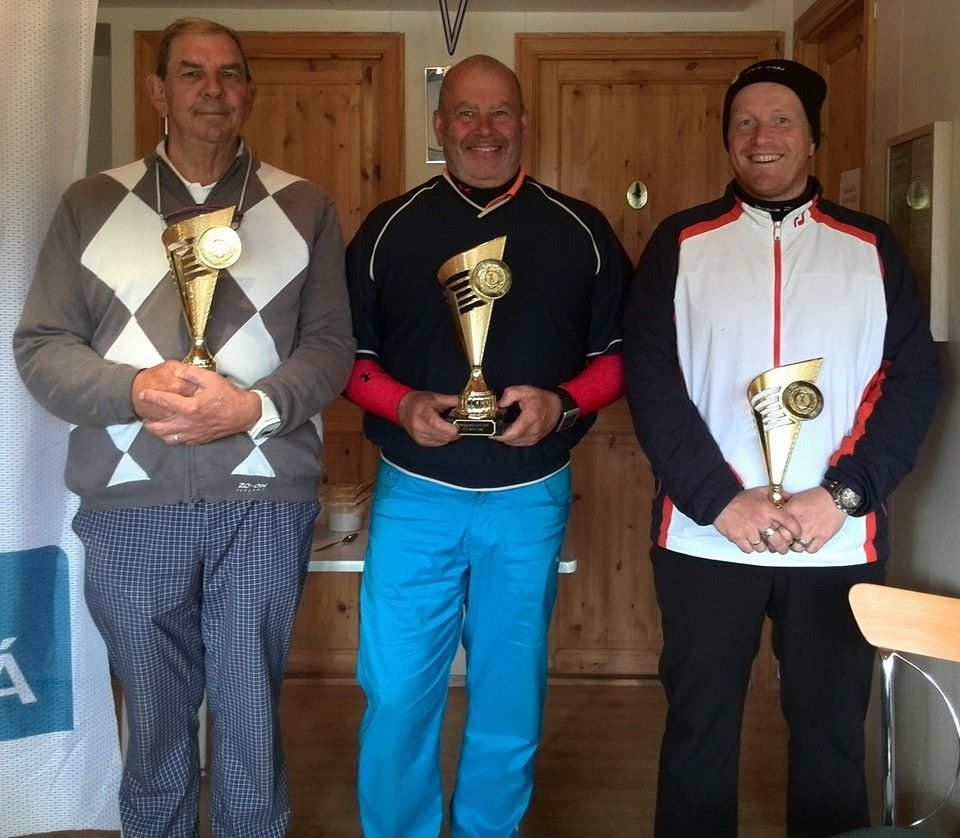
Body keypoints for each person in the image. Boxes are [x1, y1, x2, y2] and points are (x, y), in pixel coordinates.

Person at [13, 18, 354, 837]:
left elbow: (330, 347)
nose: (213, 89)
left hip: (262, 499)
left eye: (229, 74)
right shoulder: (92, 204)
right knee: (155, 718)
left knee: (249, 714)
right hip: (130, 502)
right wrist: (134, 390)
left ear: (250, 92)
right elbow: (41, 346)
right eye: (192, 73)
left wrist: (250, 408)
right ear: (158, 90)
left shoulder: (304, 206)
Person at [623, 58, 941, 836]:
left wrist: (844, 495)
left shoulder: (871, 245)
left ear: (812, 138)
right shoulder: (679, 242)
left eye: (781, 120)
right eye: (744, 121)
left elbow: (911, 383)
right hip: (706, 538)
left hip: (835, 539)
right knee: (698, 733)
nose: (761, 136)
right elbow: (652, 381)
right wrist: (717, 500)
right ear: (727, 139)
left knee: (831, 741)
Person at [344, 54, 628, 837]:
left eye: (500, 111)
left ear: (524, 122)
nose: (483, 129)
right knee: (396, 692)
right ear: (440, 126)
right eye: (465, 113)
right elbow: (349, 361)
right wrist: (401, 404)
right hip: (416, 491)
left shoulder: (581, 229)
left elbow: (618, 359)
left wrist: (563, 402)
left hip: (529, 495)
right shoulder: (389, 229)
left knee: (509, 694)